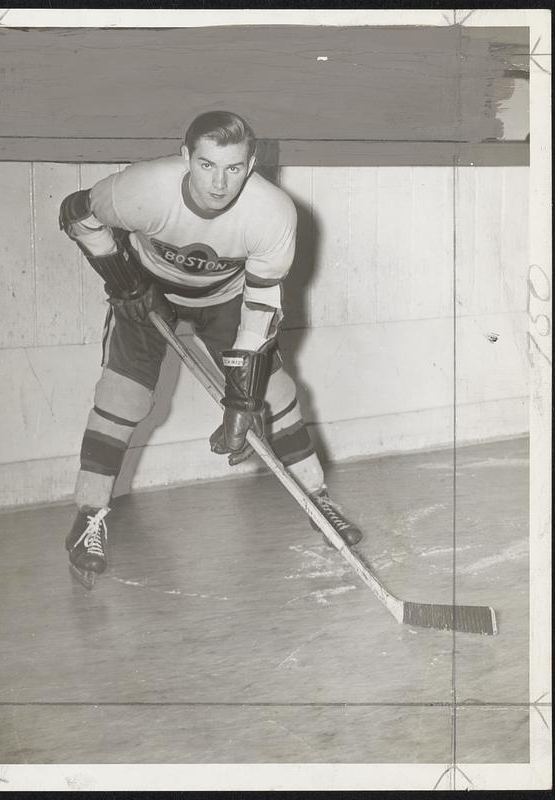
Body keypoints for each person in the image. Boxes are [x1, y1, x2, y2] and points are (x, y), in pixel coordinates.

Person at [59, 110, 362, 587]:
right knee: (125, 397)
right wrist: (122, 280)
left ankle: (318, 498)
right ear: (185, 158)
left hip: (225, 298)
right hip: (147, 290)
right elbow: (77, 213)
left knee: (275, 392)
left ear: (252, 163)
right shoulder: (141, 189)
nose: (219, 184)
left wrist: (241, 401)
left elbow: (261, 307)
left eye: (234, 168)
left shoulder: (273, 213)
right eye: (206, 166)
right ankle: (89, 518)